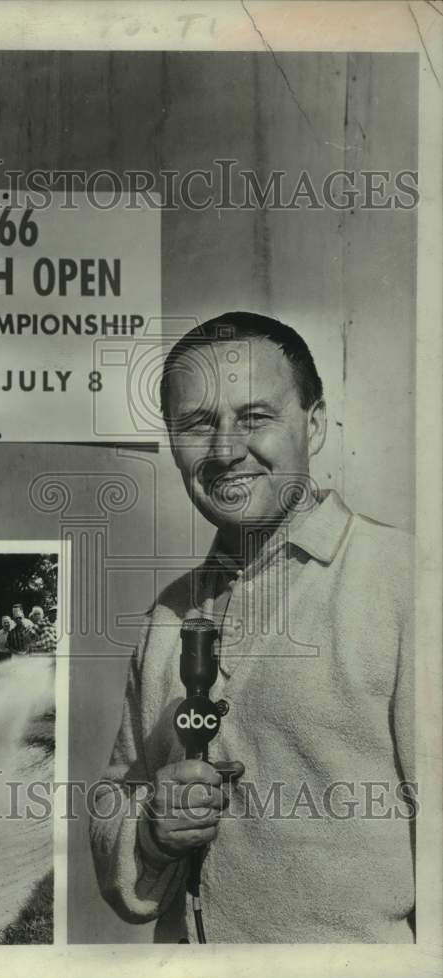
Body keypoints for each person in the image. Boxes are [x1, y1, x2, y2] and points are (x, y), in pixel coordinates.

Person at [89, 312, 414, 944]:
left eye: (255, 416)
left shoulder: (406, 581)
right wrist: (152, 833)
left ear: (313, 425)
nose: (225, 449)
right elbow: (113, 797)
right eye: (198, 423)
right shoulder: (169, 614)